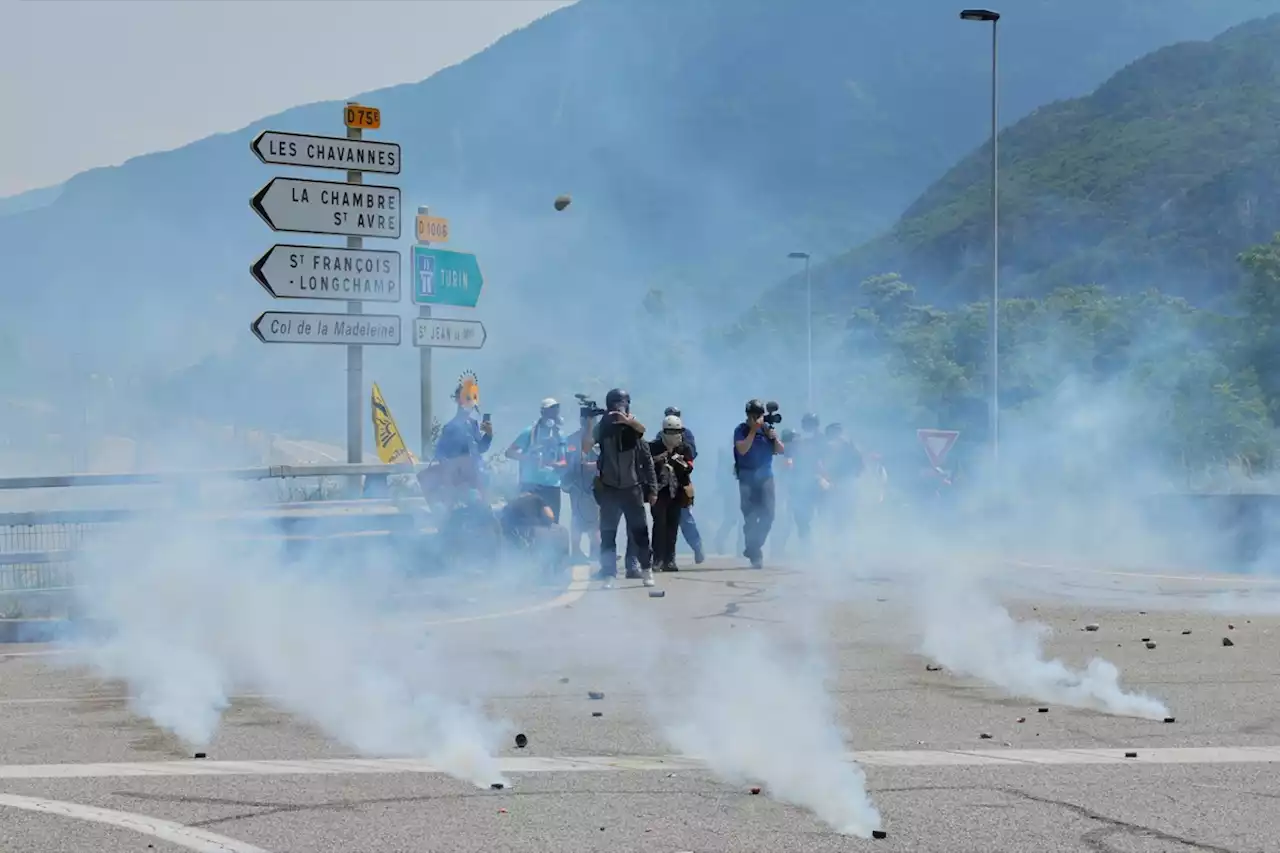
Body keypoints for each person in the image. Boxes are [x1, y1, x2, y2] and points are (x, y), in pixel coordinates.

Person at [592, 388, 657, 587]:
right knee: (608, 534)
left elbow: (647, 460)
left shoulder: (635, 430)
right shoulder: (603, 428)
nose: (618, 408)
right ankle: (609, 574)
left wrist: (653, 489)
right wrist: (589, 423)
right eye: (615, 404)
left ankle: (647, 570)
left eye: (622, 403)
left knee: (640, 534)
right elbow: (586, 445)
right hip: (610, 489)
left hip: (633, 489)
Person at [733, 398, 784, 568]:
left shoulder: (767, 430)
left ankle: (754, 546)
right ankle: (755, 554)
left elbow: (781, 451)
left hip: (765, 477)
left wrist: (774, 438)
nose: (756, 419)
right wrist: (753, 432)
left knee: (768, 515)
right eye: (752, 415)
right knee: (750, 516)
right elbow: (742, 449)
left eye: (759, 415)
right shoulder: (741, 430)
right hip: (747, 478)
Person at [429, 371, 494, 503]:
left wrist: (488, 435)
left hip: (476, 475)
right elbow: (440, 453)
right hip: (460, 480)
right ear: (459, 400)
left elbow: (481, 448)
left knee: (483, 508)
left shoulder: (473, 424)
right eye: (467, 398)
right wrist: (454, 473)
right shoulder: (451, 427)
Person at [505, 398, 569, 523]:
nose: (554, 413)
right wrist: (528, 458)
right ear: (543, 412)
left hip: (552, 486)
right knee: (526, 521)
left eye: (556, 410)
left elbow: (563, 461)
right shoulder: (530, 432)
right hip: (530, 485)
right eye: (550, 410)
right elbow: (509, 452)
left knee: (552, 522)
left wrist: (555, 465)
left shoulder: (560, 434)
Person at [649, 414, 695, 572]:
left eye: (676, 431)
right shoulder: (654, 446)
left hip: (677, 493)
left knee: (672, 526)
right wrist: (660, 459)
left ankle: (670, 559)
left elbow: (689, 467)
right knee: (659, 525)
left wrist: (679, 461)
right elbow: (647, 466)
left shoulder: (685, 448)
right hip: (660, 492)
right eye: (669, 432)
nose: (673, 435)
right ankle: (657, 559)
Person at [664, 406, 706, 564]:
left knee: (685, 518)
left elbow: (691, 455)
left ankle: (697, 546)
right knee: (664, 521)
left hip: (681, 481)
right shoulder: (660, 436)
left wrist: (677, 454)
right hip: (665, 482)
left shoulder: (686, 435)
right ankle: (667, 557)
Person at [563, 410, 601, 563]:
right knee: (577, 519)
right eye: (586, 419)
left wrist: (595, 466)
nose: (589, 423)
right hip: (578, 485)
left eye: (592, 419)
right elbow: (569, 461)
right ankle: (577, 552)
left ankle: (596, 551)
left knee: (597, 520)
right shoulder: (572, 439)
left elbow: (607, 458)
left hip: (597, 484)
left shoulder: (601, 438)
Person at [788, 413, 828, 546]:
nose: (807, 426)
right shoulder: (797, 440)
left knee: (824, 513)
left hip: (818, 480)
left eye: (810, 423)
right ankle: (807, 546)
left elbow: (826, 461)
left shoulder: (823, 440)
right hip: (800, 482)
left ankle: (827, 544)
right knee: (801, 517)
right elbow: (790, 460)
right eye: (806, 423)